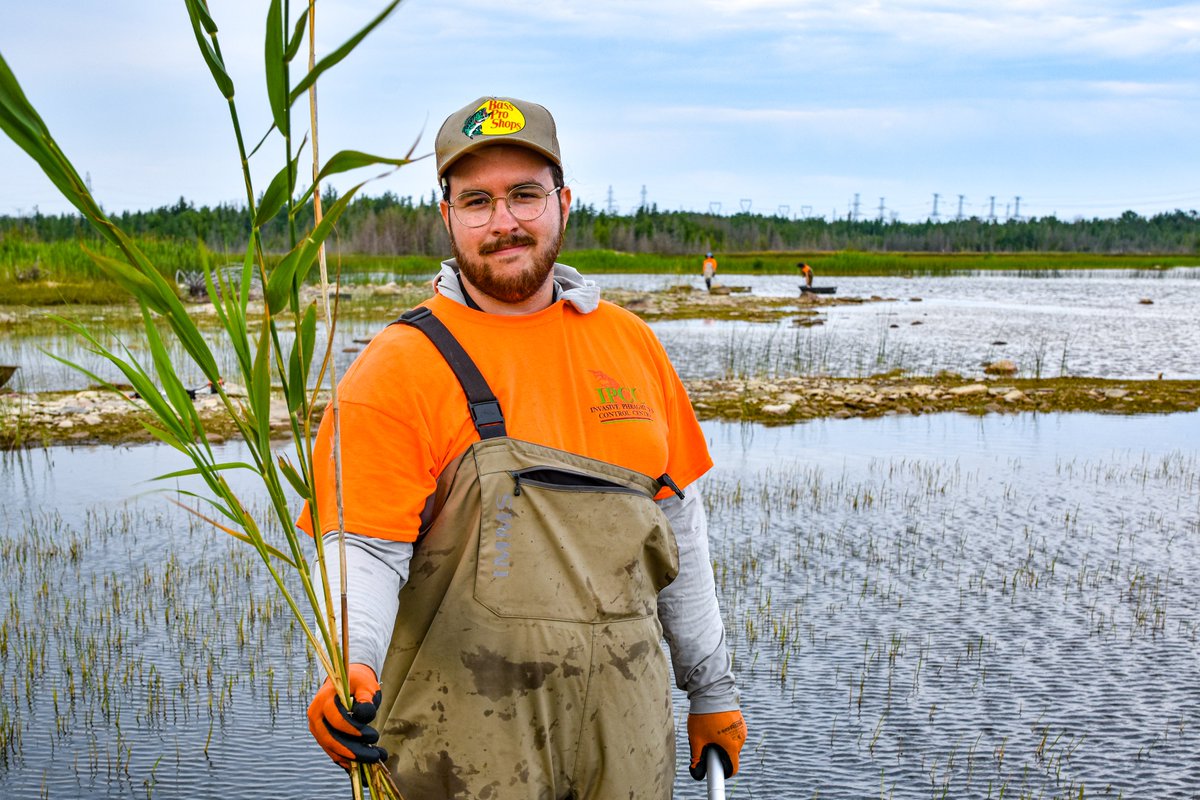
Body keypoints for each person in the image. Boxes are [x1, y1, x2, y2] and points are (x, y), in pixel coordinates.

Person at [302, 96, 746, 799]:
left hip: (627, 738)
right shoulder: (395, 367)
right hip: (465, 753)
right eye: (476, 200)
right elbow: (365, 549)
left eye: (525, 195)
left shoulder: (632, 346)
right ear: (445, 215)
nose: (503, 222)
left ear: (564, 202)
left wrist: (711, 689)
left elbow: (681, 535)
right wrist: (351, 663)